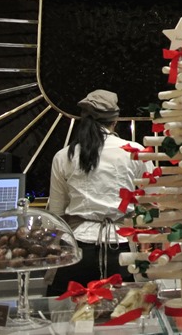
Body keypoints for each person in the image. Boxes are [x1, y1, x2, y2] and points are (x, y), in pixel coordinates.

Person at [47, 89, 151, 295]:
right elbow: (153, 202)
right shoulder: (135, 151)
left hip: (77, 251)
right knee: (125, 311)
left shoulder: (63, 156)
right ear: (115, 120)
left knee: (70, 312)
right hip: (122, 249)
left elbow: (56, 215)